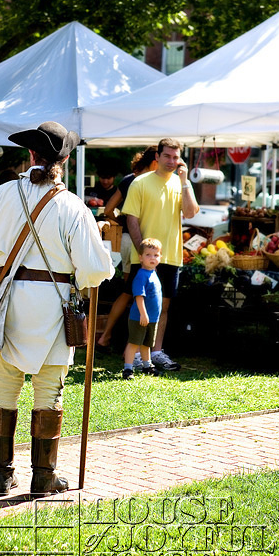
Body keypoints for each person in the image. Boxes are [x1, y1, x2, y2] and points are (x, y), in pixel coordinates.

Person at [0, 121, 114, 496]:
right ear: (66, 160)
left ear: (30, 156)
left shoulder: (1, 196)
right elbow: (93, 271)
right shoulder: (73, 207)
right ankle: (43, 477)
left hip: (7, 302)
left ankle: (1, 476)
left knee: (4, 388)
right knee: (48, 391)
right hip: (53, 307)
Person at [122, 137, 199, 372]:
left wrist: (185, 181)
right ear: (157, 156)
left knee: (161, 308)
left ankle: (155, 352)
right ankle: (134, 354)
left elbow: (191, 212)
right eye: (167, 156)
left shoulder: (180, 183)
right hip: (144, 258)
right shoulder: (140, 182)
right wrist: (141, 251)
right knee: (139, 305)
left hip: (171, 256)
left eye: (176, 157)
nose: (171, 161)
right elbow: (131, 219)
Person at [96, 146, 158, 352]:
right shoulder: (146, 180)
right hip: (137, 241)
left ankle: (112, 335)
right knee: (131, 290)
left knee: (130, 289)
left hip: (127, 239)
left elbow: (107, 210)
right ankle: (115, 337)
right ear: (154, 162)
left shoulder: (128, 179)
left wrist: (121, 220)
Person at [122, 238, 162, 380]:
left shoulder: (154, 273)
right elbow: (139, 296)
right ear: (140, 257)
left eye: (156, 255)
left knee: (147, 343)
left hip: (152, 318)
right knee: (134, 342)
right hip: (140, 317)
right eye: (148, 255)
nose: (152, 258)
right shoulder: (141, 275)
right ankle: (128, 368)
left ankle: (147, 366)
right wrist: (143, 314)